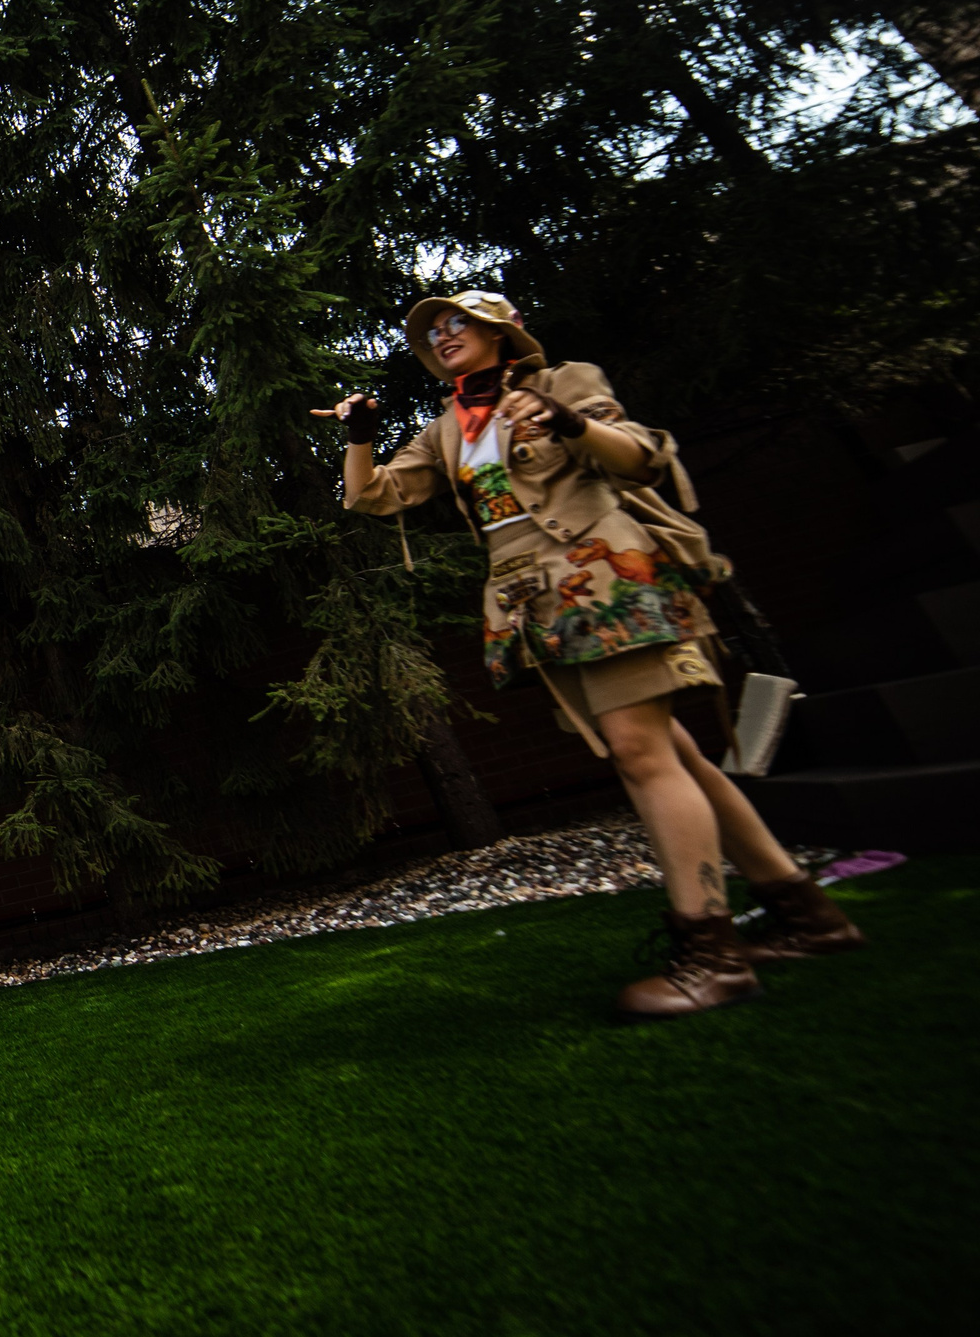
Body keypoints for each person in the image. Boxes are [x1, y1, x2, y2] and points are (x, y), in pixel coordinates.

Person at [319, 292, 863, 1019]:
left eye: (459, 322)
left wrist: (569, 421)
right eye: (432, 331)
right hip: (533, 602)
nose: (443, 335)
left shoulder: (564, 383)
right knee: (675, 754)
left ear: (501, 330)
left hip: (605, 577)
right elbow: (371, 497)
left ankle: (713, 954)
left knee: (643, 756)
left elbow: (642, 456)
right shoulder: (449, 427)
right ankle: (808, 916)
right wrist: (360, 434)